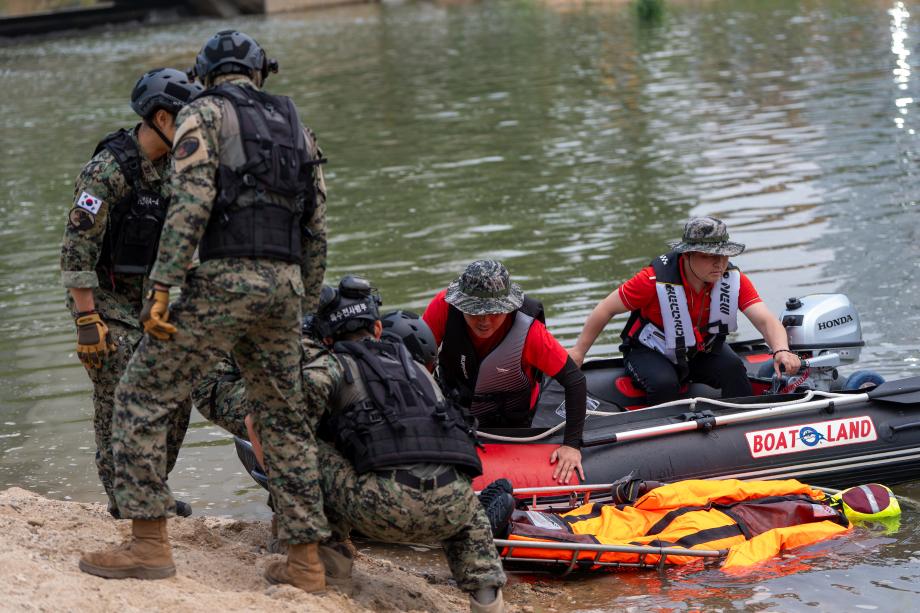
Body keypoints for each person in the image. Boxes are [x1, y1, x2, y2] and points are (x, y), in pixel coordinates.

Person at [78, 30, 330, 592]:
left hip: (224, 281)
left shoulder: (204, 115)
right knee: (282, 417)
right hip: (285, 286)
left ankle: (147, 544)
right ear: (260, 71)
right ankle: (306, 560)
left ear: (207, 73)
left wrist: (163, 284)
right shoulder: (297, 127)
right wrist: (305, 300)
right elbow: (316, 224)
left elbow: (189, 204)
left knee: (140, 396)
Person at [194, 276, 508, 613]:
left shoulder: (327, 368)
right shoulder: (417, 371)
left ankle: (325, 568)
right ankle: (487, 597)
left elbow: (262, 423)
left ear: (325, 337)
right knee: (459, 497)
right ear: (376, 329)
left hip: (380, 509)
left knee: (304, 451)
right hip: (453, 511)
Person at [60, 68, 202, 519]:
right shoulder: (107, 171)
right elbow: (76, 251)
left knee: (179, 390)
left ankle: (152, 486)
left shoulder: (175, 169)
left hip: (147, 299)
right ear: (161, 118)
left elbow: (185, 241)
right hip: (101, 299)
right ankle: (124, 497)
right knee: (119, 390)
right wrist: (87, 323)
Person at [568, 217, 802, 405]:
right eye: (709, 257)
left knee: (733, 369)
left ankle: (737, 428)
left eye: (723, 255)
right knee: (663, 383)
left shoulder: (732, 279)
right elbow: (605, 309)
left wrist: (782, 349)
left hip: (699, 349)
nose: (719, 264)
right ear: (687, 255)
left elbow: (765, 320)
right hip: (652, 350)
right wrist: (579, 351)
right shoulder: (651, 280)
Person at [423, 260, 587, 484]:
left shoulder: (530, 332)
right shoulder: (443, 307)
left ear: (508, 307)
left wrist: (571, 445)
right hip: (455, 410)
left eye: (494, 312)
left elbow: (574, 381)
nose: (484, 321)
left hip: (512, 422)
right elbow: (417, 364)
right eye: (474, 312)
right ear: (461, 305)